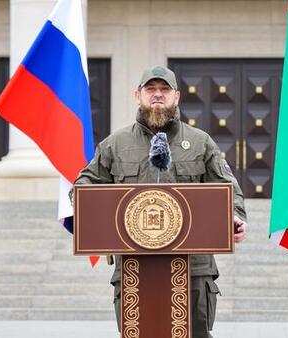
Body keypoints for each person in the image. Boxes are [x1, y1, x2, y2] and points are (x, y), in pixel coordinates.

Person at [73, 65, 248, 338]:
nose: (157, 95)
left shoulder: (201, 142)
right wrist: (88, 208)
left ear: (176, 96)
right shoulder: (114, 145)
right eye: (150, 89)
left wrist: (235, 216)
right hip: (134, 269)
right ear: (137, 95)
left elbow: (227, 187)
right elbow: (83, 185)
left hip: (193, 269)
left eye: (164, 89)